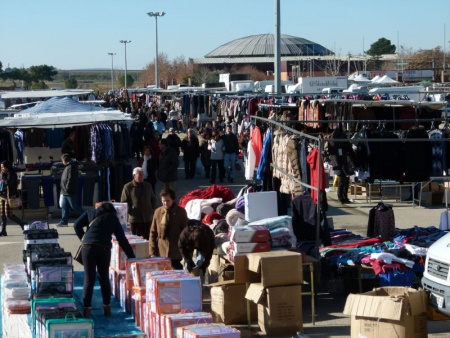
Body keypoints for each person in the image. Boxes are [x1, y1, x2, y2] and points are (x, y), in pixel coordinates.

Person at [74, 202, 136, 318]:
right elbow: (122, 240)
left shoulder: (90, 212)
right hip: (103, 249)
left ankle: (86, 310)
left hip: (87, 247)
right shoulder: (112, 218)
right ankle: (107, 308)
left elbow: (76, 225)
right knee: (104, 278)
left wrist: (83, 238)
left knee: (89, 279)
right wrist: (132, 257)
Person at [149, 188, 188, 270]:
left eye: (168, 200)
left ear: (173, 200)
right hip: (161, 252)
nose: (165, 203)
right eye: (163, 201)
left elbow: (185, 232)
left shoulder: (181, 212)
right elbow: (153, 233)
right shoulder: (158, 212)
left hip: (176, 254)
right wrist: (152, 252)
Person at [121, 167, 157, 240]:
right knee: (136, 240)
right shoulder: (128, 187)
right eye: (139, 175)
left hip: (147, 218)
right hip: (135, 220)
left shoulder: (148, 186)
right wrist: (131, 212)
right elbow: (124, 203)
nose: (142, 177)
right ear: (134, 176)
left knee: (148, 239)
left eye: (142, 175)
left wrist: (152, 211)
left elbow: (153, 199)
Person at [57, 154, 84, 227]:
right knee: (64, 207)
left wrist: (67, 188)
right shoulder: (69, 166)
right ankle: (64, 221)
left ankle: (89, 217)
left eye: (62, 160)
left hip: (69, 191)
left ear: (64, 160)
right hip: (65, 191)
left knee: (75, 207)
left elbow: (71, 179)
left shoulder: (71, 167)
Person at [0, 161, 26, 235]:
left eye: (3, 167)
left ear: (7, 167)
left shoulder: (12, 174)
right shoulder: (2, 174)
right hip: (2, 195)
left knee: (8, 214)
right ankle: (3, 230)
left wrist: (3, 178)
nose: (2, 168)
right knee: (2, 214)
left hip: (9, 196)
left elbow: (8, 183)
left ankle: (22, 224)